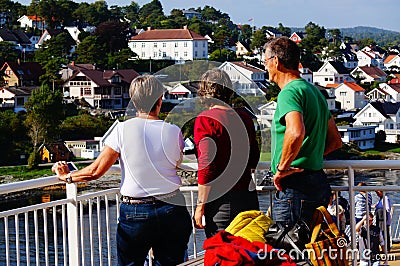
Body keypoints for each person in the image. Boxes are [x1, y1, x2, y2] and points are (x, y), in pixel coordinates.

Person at [52, 75, 192, 266]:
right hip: (172, 207)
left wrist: (66, 177)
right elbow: (175, 164)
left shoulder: (122, 129)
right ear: (160, 99)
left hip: (136, 210)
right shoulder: (173, 131)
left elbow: (96, 171)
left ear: (134, 101)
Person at [263, 36, 342, 227]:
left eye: (265, 61)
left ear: (276, 61)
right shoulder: (313, 91)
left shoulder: (289, 92)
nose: (265, 67)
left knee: (287, 251)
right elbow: (335, 142)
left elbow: (296, 131)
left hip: (294, 186)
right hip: (317, 182)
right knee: (312, 249)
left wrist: (282, 168)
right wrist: (308, 155)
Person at [193, 68, 260, 238]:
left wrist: (200, 205)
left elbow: (207, 166)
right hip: (248, 197)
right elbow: (253, 159)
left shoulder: (206, 120)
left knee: (223, 255)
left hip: (221, 203)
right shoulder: (245, 117)